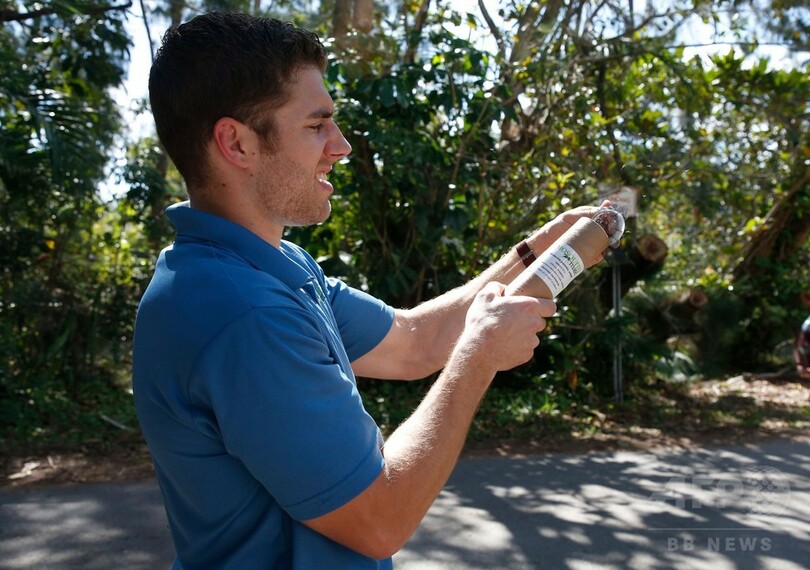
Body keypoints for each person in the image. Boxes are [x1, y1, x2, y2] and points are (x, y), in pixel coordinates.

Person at [133, 11, 603, 569]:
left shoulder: (268, 268)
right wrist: (479, 357)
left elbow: (414, 341)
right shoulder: (243, 312)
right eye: (316, 125)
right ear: (236, 142)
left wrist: (532, 251)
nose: (341, 146)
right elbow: (379, 521)